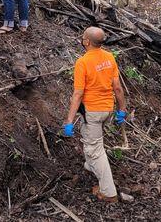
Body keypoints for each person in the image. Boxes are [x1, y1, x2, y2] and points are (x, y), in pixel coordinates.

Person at [63, 26, 128, 203]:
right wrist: (121, 110)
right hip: (107, 110)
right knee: (91, 139)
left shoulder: (82, 62)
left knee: (94, 149)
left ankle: (108, 192)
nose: (82, 39)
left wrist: (69, 120)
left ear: (87, 41)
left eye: (83, 37)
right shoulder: (109, 57)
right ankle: (91, 165)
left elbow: (77, 94)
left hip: (92, 111)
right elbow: (118, 88)